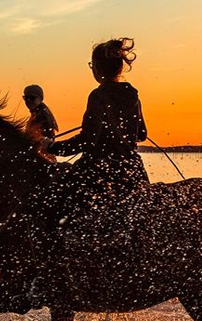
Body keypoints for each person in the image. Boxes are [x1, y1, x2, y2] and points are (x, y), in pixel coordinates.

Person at [30, 37, 149, 304]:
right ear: (120, 67)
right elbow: (142, 133)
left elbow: (87, 141)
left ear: (97, 68)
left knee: (48, 205)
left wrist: (53, 146)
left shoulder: (98, 95)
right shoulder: (133, 93)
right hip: (131, 170)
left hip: (99, 171)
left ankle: (48, 278)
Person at [22, 84, 59, 156]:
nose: (28, 100)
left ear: (40, 99)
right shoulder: (37, 114)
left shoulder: (41, 116)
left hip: (41, 159)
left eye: (32, 98)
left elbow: (38, 139)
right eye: (26, 98)